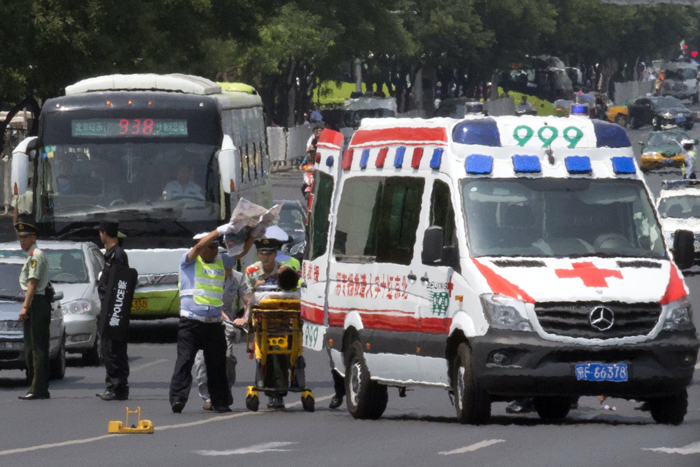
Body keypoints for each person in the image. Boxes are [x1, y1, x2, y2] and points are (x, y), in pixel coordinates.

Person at [169, 227, 254, 413]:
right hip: (190, 323)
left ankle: (220, 402)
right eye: (211, 247)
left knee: (217, 365)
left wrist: (254, 234)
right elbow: (199, 245)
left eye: (216, 247)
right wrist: (220, 230)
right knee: (184, 362)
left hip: (214, 324)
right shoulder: (188, 261)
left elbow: (242, 252)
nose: (214, 251)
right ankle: (178, 399)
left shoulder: (220, 261)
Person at [233, 232, 300, 409]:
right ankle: (266, 388)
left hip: (283, 320)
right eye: (262, 253)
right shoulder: (251, 272)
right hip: (262, 320)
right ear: (258, 255)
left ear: (275, 254)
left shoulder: (285, 271)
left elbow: (294, 293)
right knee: (263, 354)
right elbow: (247, 297)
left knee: (282, 353)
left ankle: (278, 394)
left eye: (269, 253)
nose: (266, 257)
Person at [192, 255, 251, 411]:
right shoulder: (206, 276)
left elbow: (248, 301)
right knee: (201, 359)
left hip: (226, 322)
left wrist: (244, 318)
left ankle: (226, 389)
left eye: (230, 268)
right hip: (205, 317)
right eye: (224, 269)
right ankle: (208, 397)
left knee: (227, 357)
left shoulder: (237, 277)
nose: (227, 272)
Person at [16, 218, 51, 400]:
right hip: (37, 302)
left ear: (33, 237)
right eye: (20, 237)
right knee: (37, 347)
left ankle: (37, 388)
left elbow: (33, 283)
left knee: (34, 348)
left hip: (35, 303)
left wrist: (25, 307)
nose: (22, 240)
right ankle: (40, 387)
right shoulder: (32, 255)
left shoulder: (35, 256)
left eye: (25, 237)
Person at [95, 221, 131, 401]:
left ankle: (118, 387)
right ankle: (116, 387)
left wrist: (115, 311)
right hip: (109, 308)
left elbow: (120, 284)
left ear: (104, 234)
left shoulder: (118, 255)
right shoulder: (110, 255)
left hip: (114, 310)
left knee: (112, 349)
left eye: (100, 233)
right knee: (109, 348)